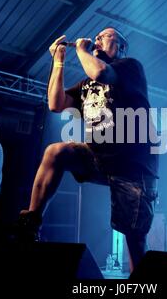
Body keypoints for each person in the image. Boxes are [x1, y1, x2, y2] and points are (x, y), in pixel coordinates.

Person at [17, 27, 158, 271]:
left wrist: (81, 50)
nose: (97, 39)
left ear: (121, 46)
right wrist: (58, 61)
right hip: (99, 158)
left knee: (134, 239)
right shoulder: (85, 84)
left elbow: (101, 71)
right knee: (55, 151)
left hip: (133, 165)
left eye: (106, 36)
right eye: (97, 37)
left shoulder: (130, 67)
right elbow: (56, 103)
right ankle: (32, 223)